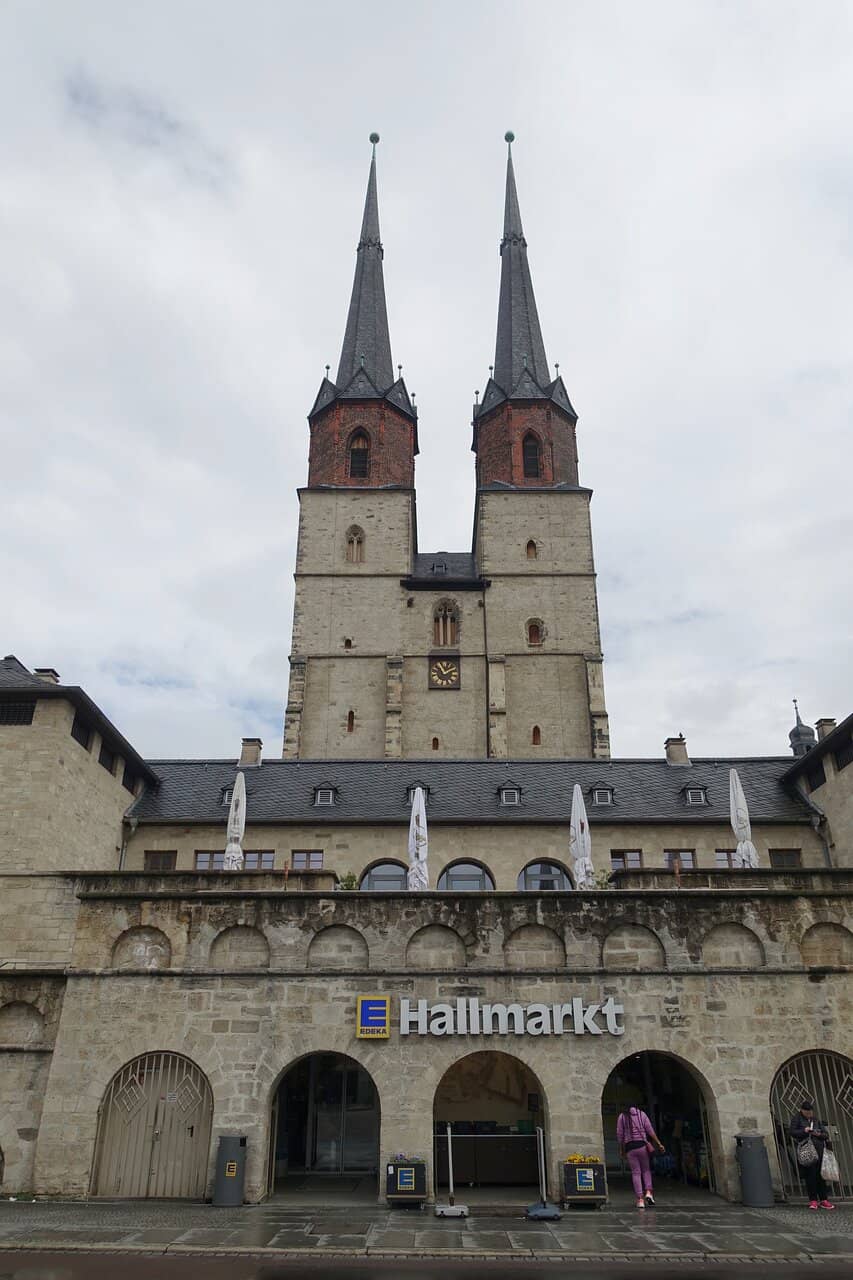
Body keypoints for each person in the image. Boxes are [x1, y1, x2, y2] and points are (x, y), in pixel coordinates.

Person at [617, 1102, 665, 1208]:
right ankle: (648, 1192)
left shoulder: (622, 1117)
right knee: (646, 1170)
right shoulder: (641, 1114)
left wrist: (621, 1149)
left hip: (630, 1148)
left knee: (636, 1173)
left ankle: (640, 1199)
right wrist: (658, 1143)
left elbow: (620, 1134)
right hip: (642, 1146)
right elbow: (650, 1130)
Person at [790, 1099, 835, 1210]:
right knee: (810, 1175)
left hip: (819, 1149)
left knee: (821, 1175)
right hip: (807, 1151)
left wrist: (818, 1133)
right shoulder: (797, 1119)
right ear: (802, 1111)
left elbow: (826, 1134)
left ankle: (824, 1199)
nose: (809, 1114)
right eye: (807, 1112)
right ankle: (813, 1200)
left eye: (811, 1112)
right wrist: (804, 1131)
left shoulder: (815, 1120)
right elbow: (792, 1132)